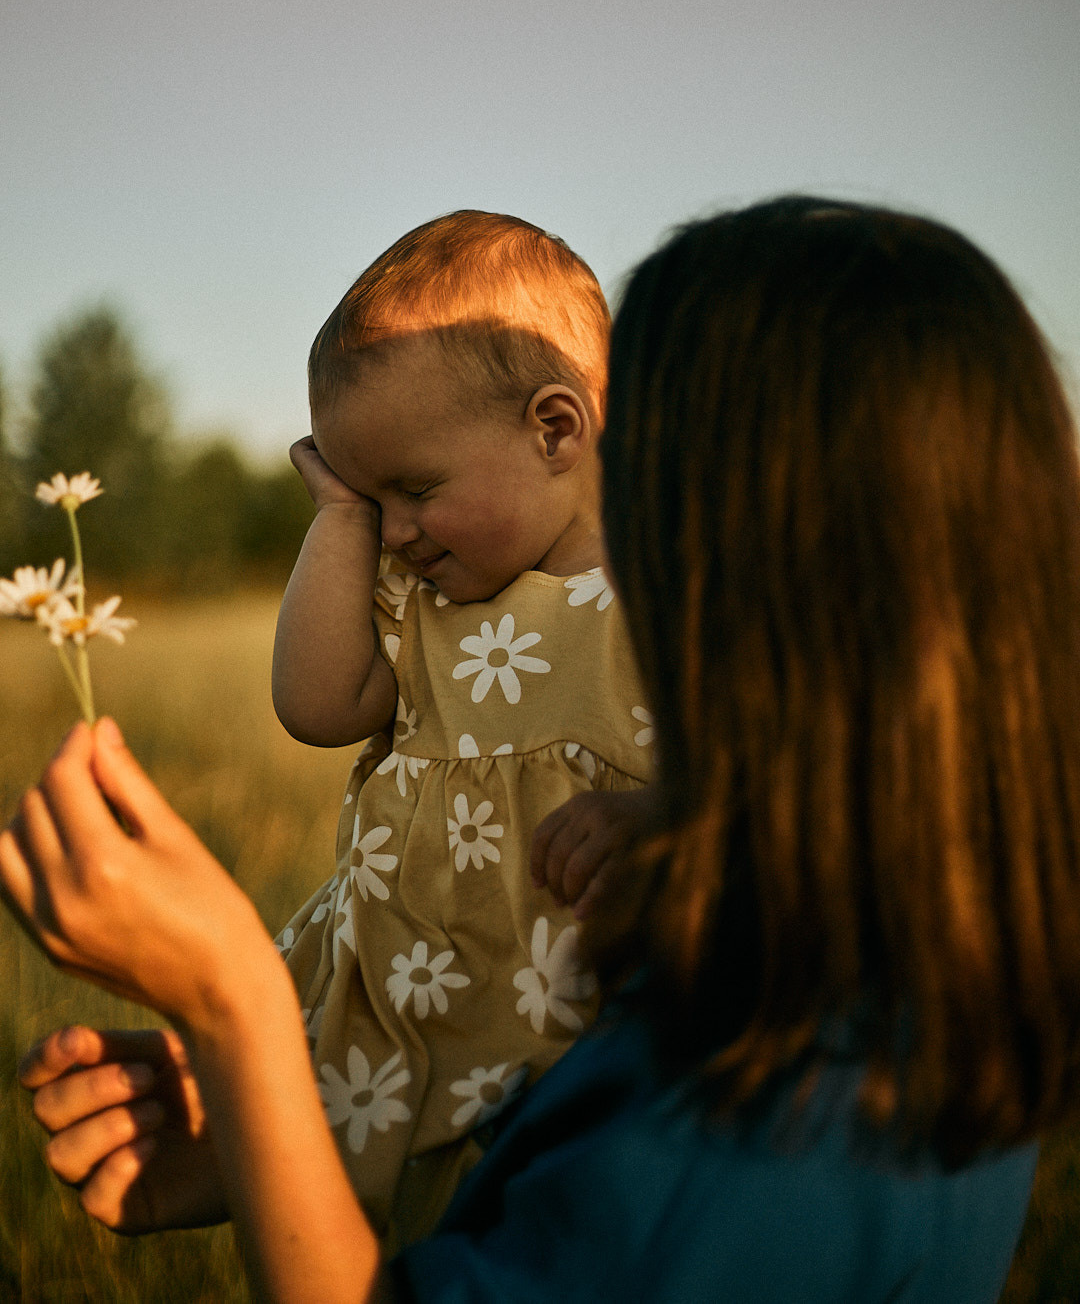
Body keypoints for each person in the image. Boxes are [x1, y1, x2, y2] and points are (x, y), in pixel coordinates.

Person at [7, 196, 1080, 1304]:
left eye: (654, 472)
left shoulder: (743, 1129)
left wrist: (233, 1001)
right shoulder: (907, 947)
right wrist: (261, 1104)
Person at [266, 210, 653, 1241]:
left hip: (578, 1049)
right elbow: (315, 707)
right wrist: (339, 519)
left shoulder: (669, 597)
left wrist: (666, 809)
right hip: (398, 1042)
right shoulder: (423, 607)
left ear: (556, 429)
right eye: (368, 495)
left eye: (413, 488)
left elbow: (768, 769)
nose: (396, 528)